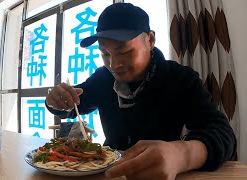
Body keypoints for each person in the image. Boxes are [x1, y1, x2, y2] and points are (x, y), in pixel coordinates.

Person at [45, 2, 236, 180]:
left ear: (150, 40)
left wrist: (182, 155)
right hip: (109, 172)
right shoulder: (103, 78)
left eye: (125, 51)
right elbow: (75, 104)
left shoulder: (180, 79)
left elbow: (222, 134)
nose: (114, 64)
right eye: (104, 53)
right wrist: (56, 101)